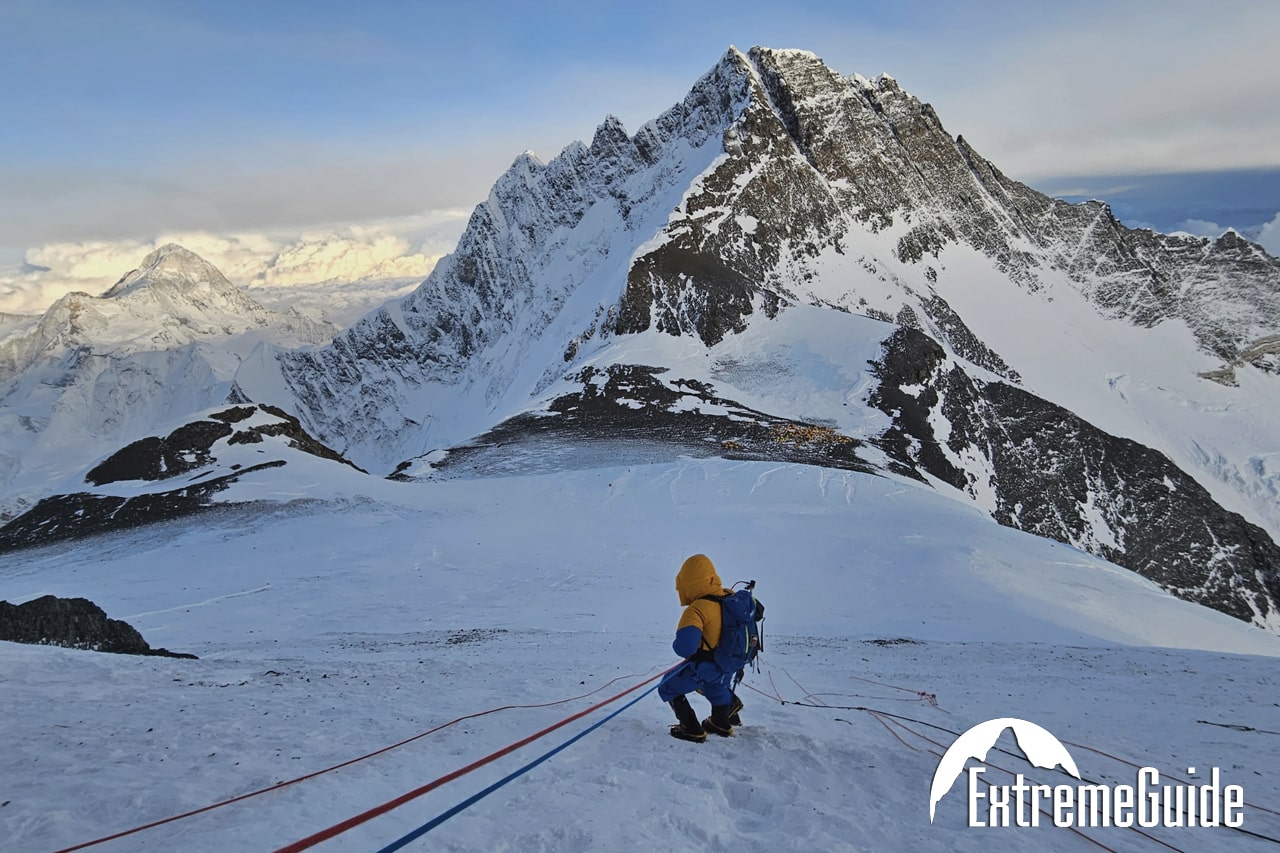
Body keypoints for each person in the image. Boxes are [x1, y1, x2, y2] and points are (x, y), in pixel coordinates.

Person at [658, 553, 755, 743]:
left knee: (667, 686)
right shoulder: (730, 598)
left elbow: (685, 648)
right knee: (716, 690)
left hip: (705, 666)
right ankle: (720, 723)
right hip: (729, 665)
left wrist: (678, 644)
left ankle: (691, 729)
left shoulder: (697, 609)